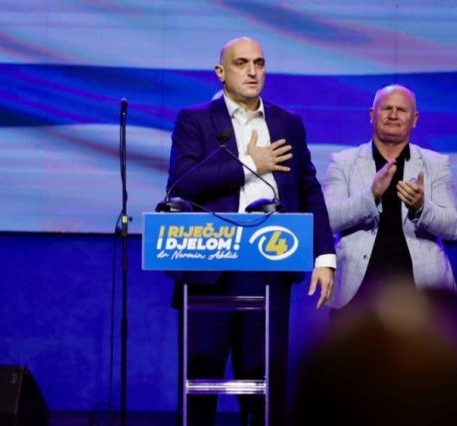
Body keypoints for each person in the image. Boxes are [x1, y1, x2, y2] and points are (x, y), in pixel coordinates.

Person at [164, 36, 336, 426]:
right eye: (241, 63)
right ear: (220, 72)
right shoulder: (194, 119)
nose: (252, 71)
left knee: (266, 383)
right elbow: (182, 183)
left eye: (259, 63)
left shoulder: (287, 123)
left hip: (269, 267)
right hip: (209, 271)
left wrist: (324, 256)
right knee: (200, 382)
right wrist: (249, 164)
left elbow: (308, 189)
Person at [323, 84, 457, 311]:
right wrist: (370, 196)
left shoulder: (436, 164)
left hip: (421, 290)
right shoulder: (343, 162)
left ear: (414, 119)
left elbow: (451, 227)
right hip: (356, 290)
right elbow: (327, 221)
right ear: (372, 115)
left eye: (401, 110)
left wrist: (421, 207)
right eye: (386, 108)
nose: (393, 115)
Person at [288, 285, 457, 426]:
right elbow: (329, 227)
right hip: (353, 287)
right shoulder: (342, 349)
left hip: (426, 276)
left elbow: (451, 230)